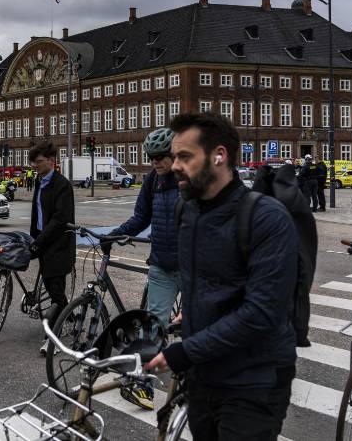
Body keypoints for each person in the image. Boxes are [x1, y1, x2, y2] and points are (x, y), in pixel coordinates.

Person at [145, 112, 297, 441]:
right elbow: (207, 284)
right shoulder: (188, 210)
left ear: (219, 156)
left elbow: (261, 313)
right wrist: (193, 314)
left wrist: (183, 352)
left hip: (254, 379)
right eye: (174, 156)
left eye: (185, 156)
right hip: (204, 373)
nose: (174, 165)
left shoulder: (266, 218)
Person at [105, 128, 180, 410]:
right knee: (152, 328)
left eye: (160, 157)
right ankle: (143, 386)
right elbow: (140, 217)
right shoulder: (152, 181)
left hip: (192, 267)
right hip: (161, 264)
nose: (155, 163)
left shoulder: (189, 179)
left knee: (201, 327)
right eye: (151, 158)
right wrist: (115, 233)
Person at [29, 141, 76, 355]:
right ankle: (69, 318)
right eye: (34, 162)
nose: (35, 166)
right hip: (43, 241)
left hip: (58, 244)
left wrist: (40, 241)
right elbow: (37, 213)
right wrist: (33, 238)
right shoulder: (40, 181)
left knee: (56, 290)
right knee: (51, 287)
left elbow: (59, 219)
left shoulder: (61, 185)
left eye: (39, 162)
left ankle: (54, 339)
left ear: (51, 161)